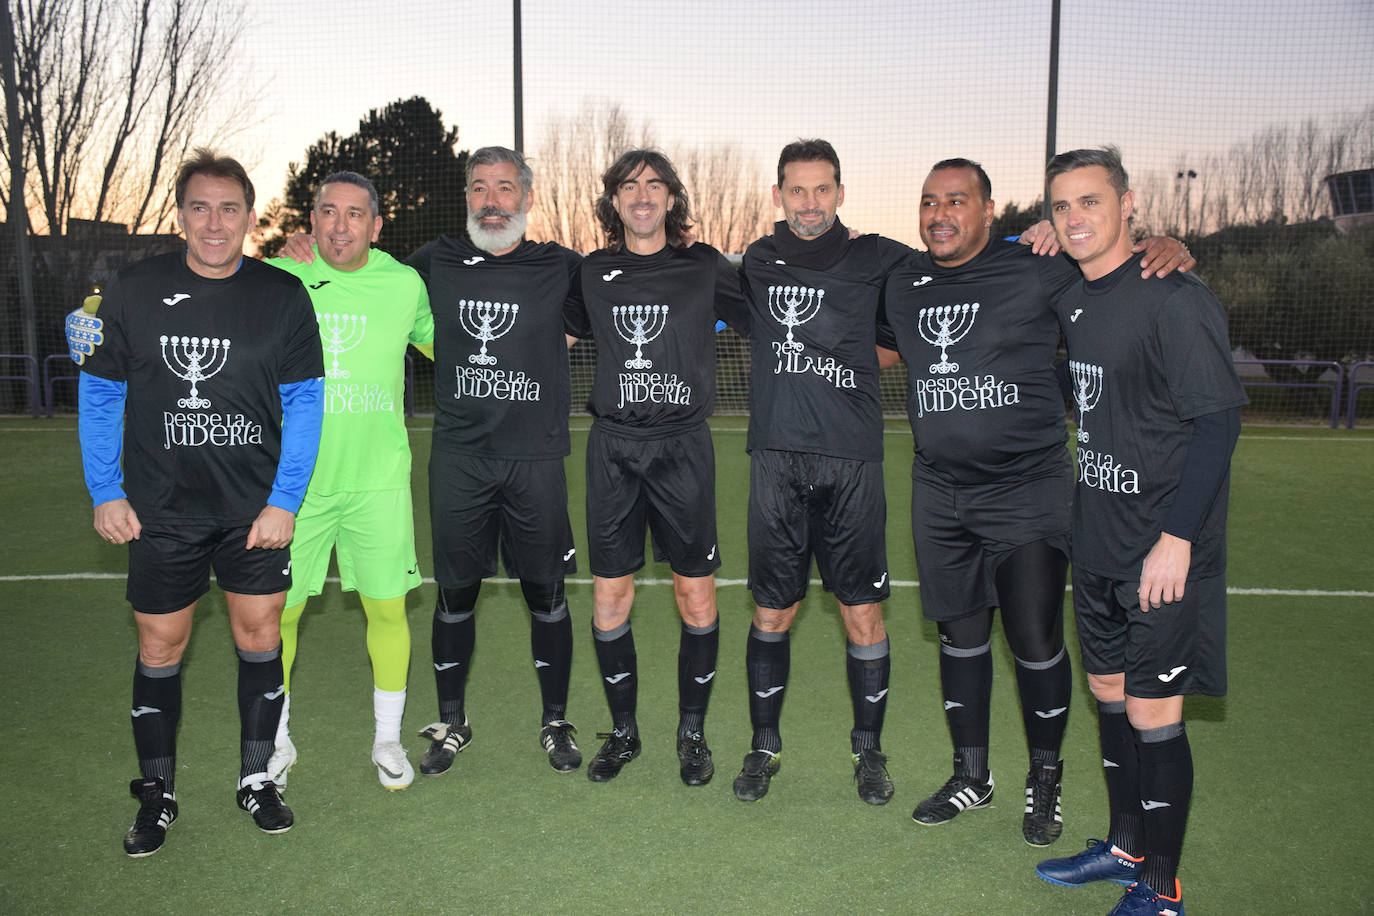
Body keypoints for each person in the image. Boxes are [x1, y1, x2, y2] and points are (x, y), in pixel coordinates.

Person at [876, 159, 1192, 845]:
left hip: (1026, 488)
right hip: (937, 491)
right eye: (928, 201)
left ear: (990, 211)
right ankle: (972, 776)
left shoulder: (1037, 265)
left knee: (1034, 638)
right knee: (959, 636)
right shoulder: (902, 282)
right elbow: (871, 345)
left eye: (957, 201)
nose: (939, 214)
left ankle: (1043, 778)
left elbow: (1113, 267)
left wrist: (1161, 247)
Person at [78, 149, 324, 857]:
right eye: (199, 207)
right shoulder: (133, 289)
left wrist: (284, 500)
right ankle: (157, 794)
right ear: (180, 214)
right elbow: (101, 394)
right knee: (160, 646)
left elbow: (305, 403)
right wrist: (106, 489)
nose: (214, 223)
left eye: (229, 208)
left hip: (253, 513)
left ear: (250, 216)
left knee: (260, 637)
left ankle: (257, 779)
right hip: (162, 509)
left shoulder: (281, 295)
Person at [1034, 147, 1244, 916]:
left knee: (1157, 714)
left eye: (1091, 201)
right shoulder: (1073, 298)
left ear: (1129, 203)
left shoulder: (1173, 296)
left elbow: (1218, 424)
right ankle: (1124, 847)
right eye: (1061, 206)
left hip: (1160, 549)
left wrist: (1178, 537)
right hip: (1096, 538)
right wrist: (1037, 234)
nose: (1075, 218)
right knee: (1110, 693)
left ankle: (1161, 888)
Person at [733, 139, 910, 805]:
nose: (810, 203)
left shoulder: (877, 256)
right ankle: (763, 747)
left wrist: (1030, 234)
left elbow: (948, 280)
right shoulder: (758, 260)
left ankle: (869, 753)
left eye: (822, 189)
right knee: (773, 612)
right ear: (778, 194)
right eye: (797, 190)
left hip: (852, 460)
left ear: (841, 191)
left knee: (861, 611)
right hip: (777, 459)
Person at [564, 149, 749, 785]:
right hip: (613, 448)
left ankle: (691, 734)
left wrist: (842, 245)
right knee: (610, 592)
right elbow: (541, 328)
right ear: (613, 202)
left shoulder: (704, 267)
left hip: (682, 449)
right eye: (628, 186)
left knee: (694, 593)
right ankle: (623, 732)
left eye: (655, 185)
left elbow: (775, 307)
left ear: (672, 199)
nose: (642, 196)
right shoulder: (591, 272)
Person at [404, 147, 584, 775]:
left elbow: (630, 289)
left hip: (535, 459)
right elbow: (363, 276)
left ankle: (556, 720)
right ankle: (452, 722)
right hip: (460, 459)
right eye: (479, 188)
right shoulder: (437, 261)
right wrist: (307, 253)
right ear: (468, 199)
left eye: (504, 188)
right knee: (456, 594)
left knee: (546, 594)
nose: (491, 201)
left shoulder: (561, 266)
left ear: (527, 199)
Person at [260, 171, 434, 792]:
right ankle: (275, 743)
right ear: (310, 221)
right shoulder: (282, 279)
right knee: (277, 616)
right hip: (294, 487)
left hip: (378, 483)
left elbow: (459, 349)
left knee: (387, 611)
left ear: (377, 225)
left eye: (354, 214)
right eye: (327, 212)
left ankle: (388, 739)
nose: (339, 226)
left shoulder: (404, 284)